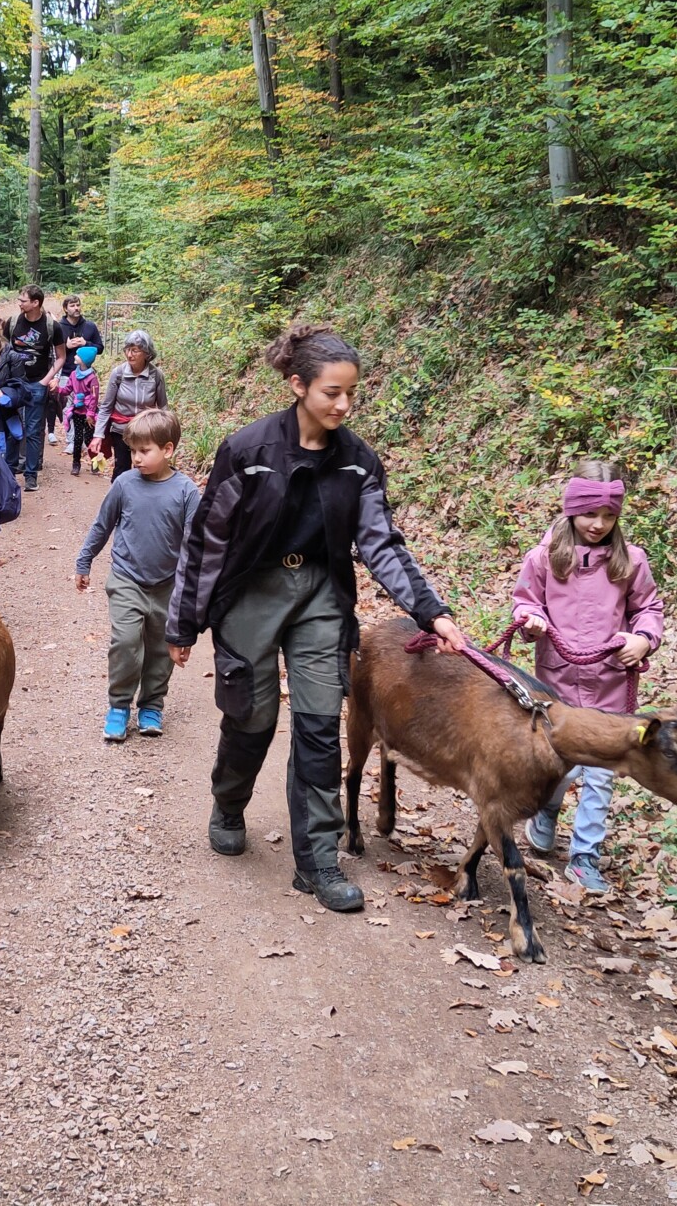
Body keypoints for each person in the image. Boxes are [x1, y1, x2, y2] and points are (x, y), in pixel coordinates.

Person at [166, 325, 466, 914]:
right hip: (251, 593)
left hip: (322, 598)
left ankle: (318, 859)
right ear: (298, 385)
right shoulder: (248, 451)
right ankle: (229, 803)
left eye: (351, 393)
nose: (344, 404)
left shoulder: (358, 462)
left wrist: (431, 612)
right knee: (251, 717)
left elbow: (381, 543)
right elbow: (207, 541)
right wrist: (184, 622)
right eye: (333, 392)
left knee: (319, 727)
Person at [514, 461, 664, 894]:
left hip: (610, 684)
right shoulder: (544, 558)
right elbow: (526, 602)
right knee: (560, 762)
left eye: (609, 516)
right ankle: (547, 810)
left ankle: (584, 857)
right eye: (589, 514)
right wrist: (532, 621)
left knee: (600, 771)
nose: (598, 524)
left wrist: (643, 639)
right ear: (571, 510)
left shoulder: (630, 560)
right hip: (558, 682)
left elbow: (648, 608)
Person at [75, 410, 200, 743]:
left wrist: (192, 593)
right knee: (126, 642)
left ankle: (152, 705)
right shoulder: (124, 484)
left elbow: (195, 545)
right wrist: (84, 561)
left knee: (161, 649)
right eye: (133, 451)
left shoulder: (187, 492)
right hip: (127, 578)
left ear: (168, 449)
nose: (136, 458)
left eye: (145, 451)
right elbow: (102, 525)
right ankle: (119, 705)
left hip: (168, 586)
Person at [0, 283, 65, 491]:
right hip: (14, 384)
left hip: (37, 383)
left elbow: (61, 357)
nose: (19, 303)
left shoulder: (52, 326)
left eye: (23, 300)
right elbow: (3, 349)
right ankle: (9, 472)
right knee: (12, 427)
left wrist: (46, 380)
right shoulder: (13, 322)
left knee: (34, 430)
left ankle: (31, 475)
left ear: (35, 303)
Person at [94, 329, 168, 475]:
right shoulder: (118, 373)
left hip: (146, 431)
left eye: (135, 350)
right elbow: (106, 407)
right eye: (127, 350)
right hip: (121, 430)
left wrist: (166, 434)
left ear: (146, 353)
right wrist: (98, 435)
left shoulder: (156, 375)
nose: (129, 354)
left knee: (145, 470)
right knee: (121, 469)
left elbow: (163, 407)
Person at [59, 345, 101, 474]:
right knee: (77, 439)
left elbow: (94, 397)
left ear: (84, 360)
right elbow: (67, 390)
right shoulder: (74, 374)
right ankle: (75, 464)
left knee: (89, 439)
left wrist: (91, 413)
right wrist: (57, 389)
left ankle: (95, 463)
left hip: (88, 414)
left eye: (78, 355)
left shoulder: (92, 377)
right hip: (77, 411)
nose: (75, 356)